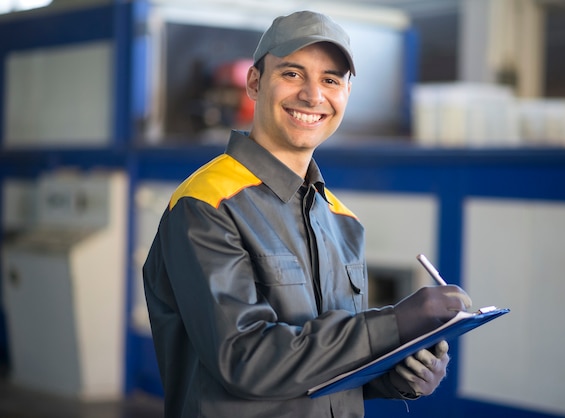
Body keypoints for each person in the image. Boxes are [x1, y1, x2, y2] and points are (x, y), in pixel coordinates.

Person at [143, 10, 472, 418]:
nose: (313, 96)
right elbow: (245, 359)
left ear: (346, 94)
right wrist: (395, 324)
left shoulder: (342, 221)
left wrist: (398, 371)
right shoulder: (205, 206)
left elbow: (327, 366)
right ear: (254, 82)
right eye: (293, 74)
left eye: (331, 80)